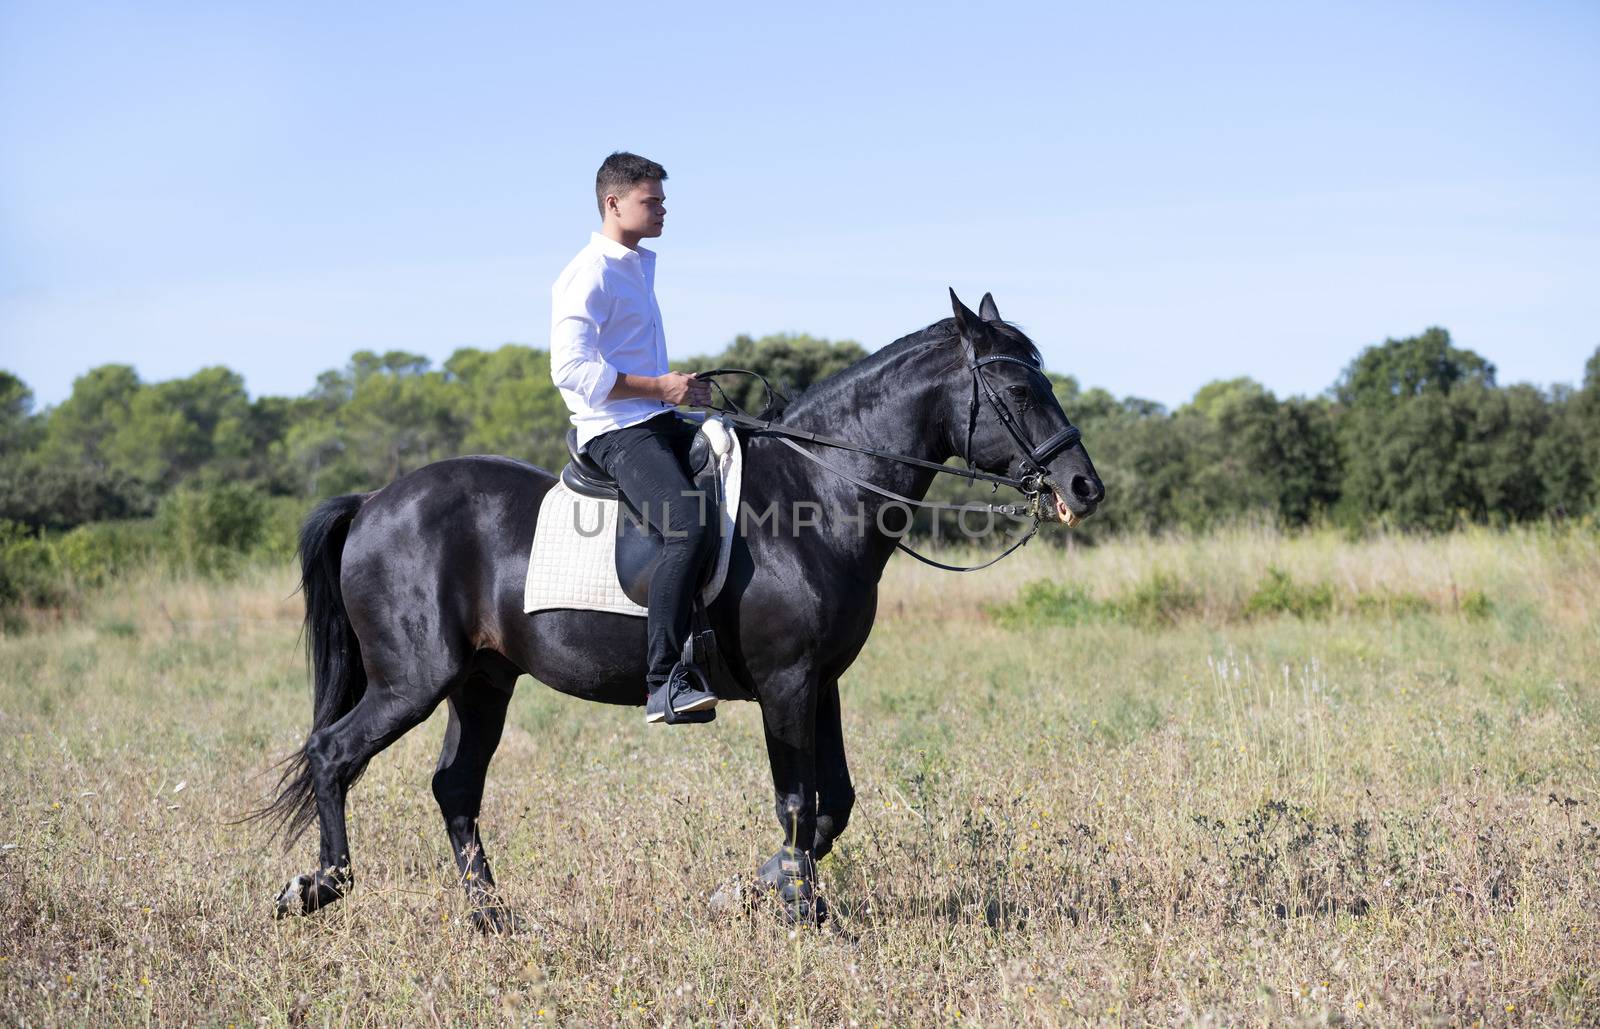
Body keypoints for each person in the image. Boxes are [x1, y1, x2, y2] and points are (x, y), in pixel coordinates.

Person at [549, 151, 721, 725]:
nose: (663, 210)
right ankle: (663, 683)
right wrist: (658, 387)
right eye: (653, 201)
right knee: (686, 526)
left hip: (654, 418)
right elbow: (570, 369)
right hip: (615, 433)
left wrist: (683, 394)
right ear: (613, 202)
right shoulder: (588, 273)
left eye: (663, 200)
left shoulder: (637, 265)